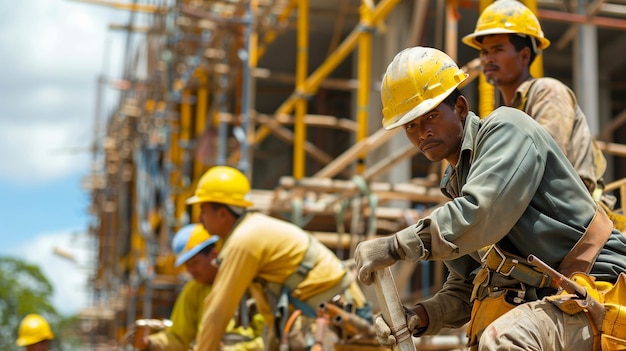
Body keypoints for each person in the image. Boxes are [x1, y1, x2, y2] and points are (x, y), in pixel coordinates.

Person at [354, 46, 626, 350]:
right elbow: (468, 284)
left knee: (506, 340)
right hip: (557, 302)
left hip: (600, 288)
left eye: (430, 116)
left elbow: (480, 212)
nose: (422, 133)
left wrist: (395, 246)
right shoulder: (459, 183)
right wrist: (420, 315)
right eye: (411, 125)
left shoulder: (508, 129)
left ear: (459, 107)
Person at [187, 165, 370, 351]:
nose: (201, 219)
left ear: (223, 214)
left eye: (203, 210)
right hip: (327, 309)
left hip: (332, 313)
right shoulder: (251, 231)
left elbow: (218, 311)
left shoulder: (243, 241)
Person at [461, 0, 607, 196]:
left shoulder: (548, 91)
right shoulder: (508, 112)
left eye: (498, 49)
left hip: (574, 211)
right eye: (484, 52)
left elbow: (543, 162)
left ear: (524, 56)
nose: (487, 58)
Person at [135, 224, 264, 351]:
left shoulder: (245, 284)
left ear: (214, 254)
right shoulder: (193, 291)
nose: (191, 270)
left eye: (195, 263)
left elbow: (267, 339)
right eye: (187, 265)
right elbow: (179, 337)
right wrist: (150, 343)